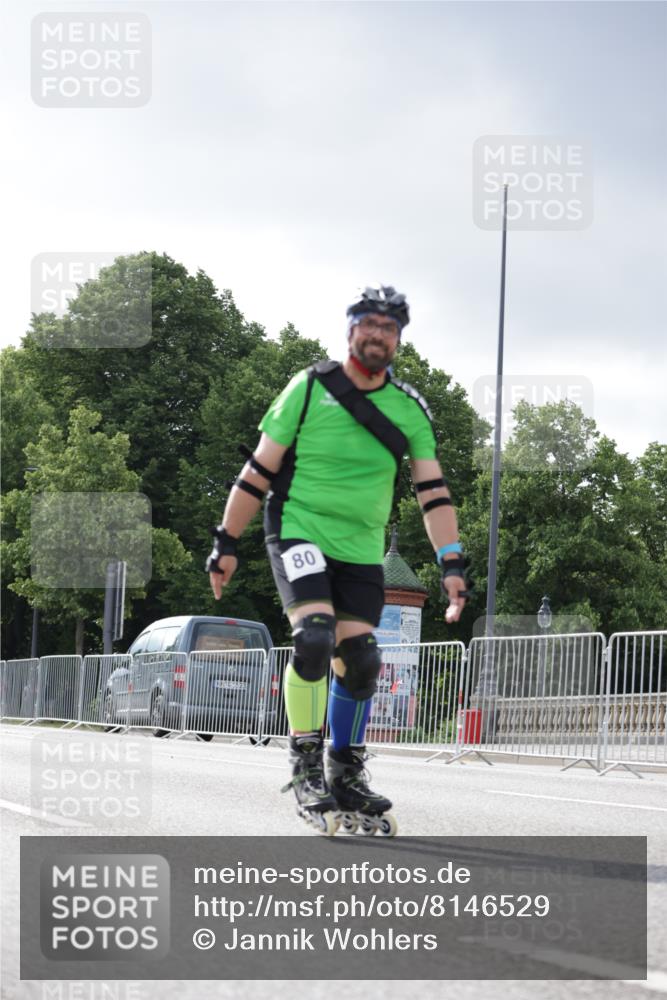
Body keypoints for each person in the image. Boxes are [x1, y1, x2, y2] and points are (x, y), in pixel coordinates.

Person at [206, 285, 468, 836]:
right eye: (368, 323)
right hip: (298, 530)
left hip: (360, 550)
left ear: (398, 339)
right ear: (350, 330)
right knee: (314, 638)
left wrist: (452, 563)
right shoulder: (307, 388)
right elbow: (257, 472)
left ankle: (345, 770)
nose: (378, 334)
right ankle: (305, 763)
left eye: (389, 327)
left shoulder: (409, 409)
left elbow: (433, 492)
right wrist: (226, 542)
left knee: (363, 659)